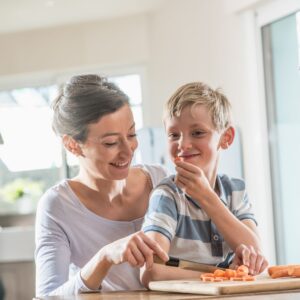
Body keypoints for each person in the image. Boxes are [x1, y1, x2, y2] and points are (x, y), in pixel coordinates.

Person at [35, 74, 169, 296]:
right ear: (72, 145)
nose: (128, 151)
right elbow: (48, 297)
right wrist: (104, 257)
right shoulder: (57, 206)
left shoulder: (158, 179)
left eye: (132, 134)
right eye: (111, 142)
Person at [141, 82, 268, 286]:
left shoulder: (235, 190)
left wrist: (206, 196)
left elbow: (256, 253)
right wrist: (223, 275)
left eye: (198, 132)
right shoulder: (167, 195)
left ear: (226, 138)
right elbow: (151, 271)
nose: (183, 144)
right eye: (174, 135)